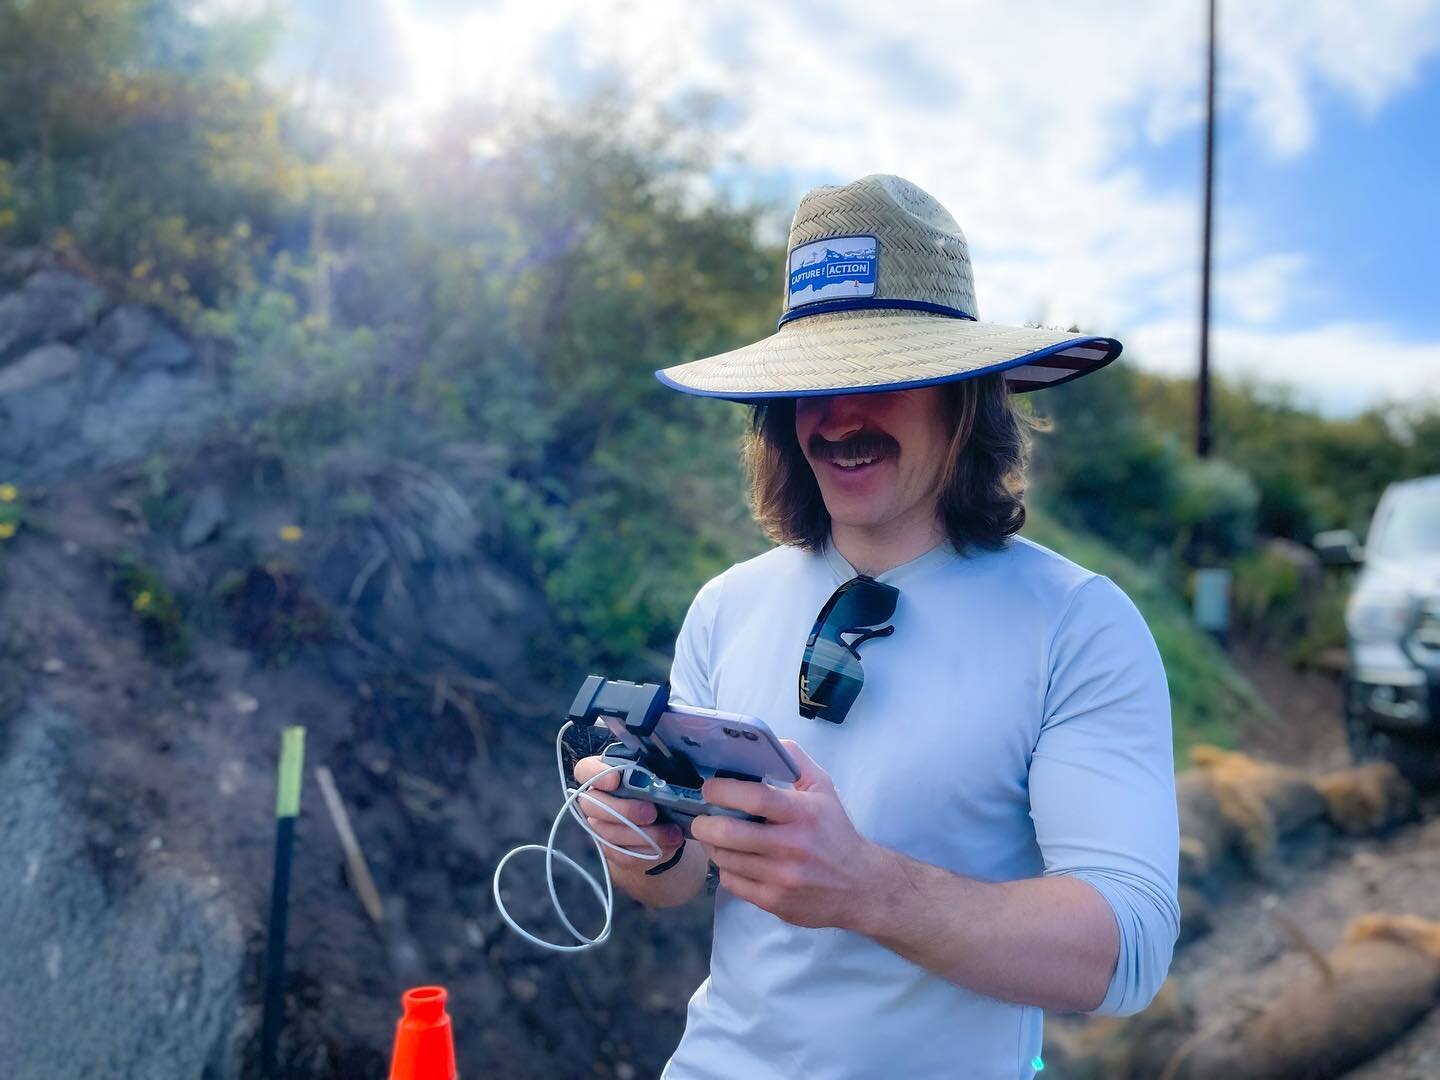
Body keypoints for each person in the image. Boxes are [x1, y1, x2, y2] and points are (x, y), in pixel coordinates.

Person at [573, 174, 1179, 1079]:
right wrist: (636, 833)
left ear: (963, 397)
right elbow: (676, 885)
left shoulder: (1075, 624)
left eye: (884, 375)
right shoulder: (726, 605)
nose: (840, 414)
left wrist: (868, 890)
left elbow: (1126, 950)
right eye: (812, 381)